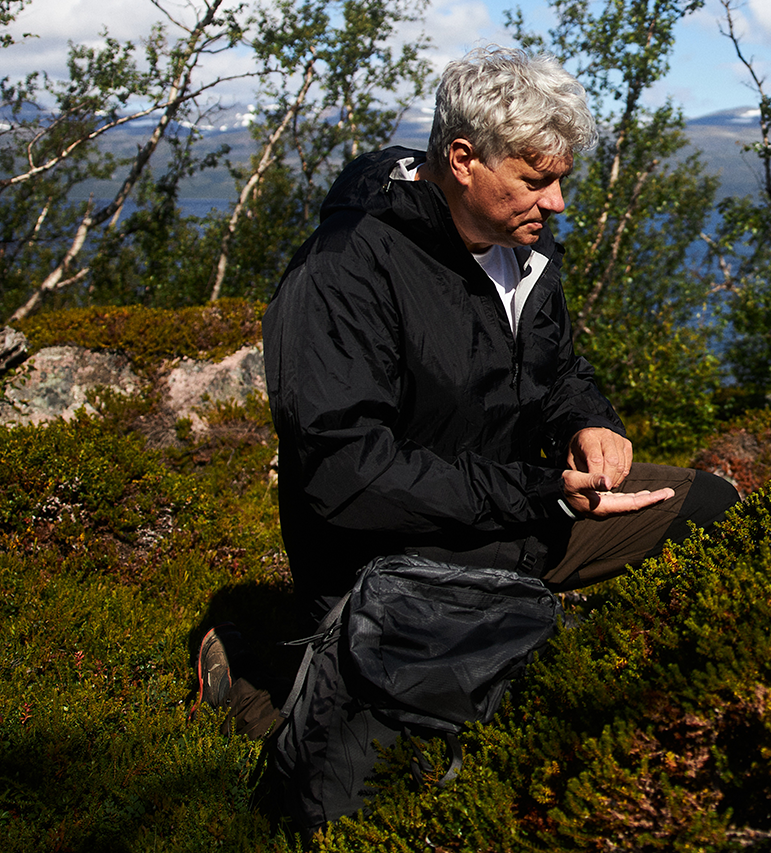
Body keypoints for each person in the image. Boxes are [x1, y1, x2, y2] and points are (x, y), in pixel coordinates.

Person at [195, 45, 739, 738]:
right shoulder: (346, 268)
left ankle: (524, 634)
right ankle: (254, 679)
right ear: (461, 159)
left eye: (562, 178)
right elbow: (347, 474)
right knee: (419, 757)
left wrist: (588, 422)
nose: (558, 202)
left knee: (712, 507)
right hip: (392, 557)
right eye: (536, 179)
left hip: (516, 521)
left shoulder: (525, 253)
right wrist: (535, 494)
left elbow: (559, 370)